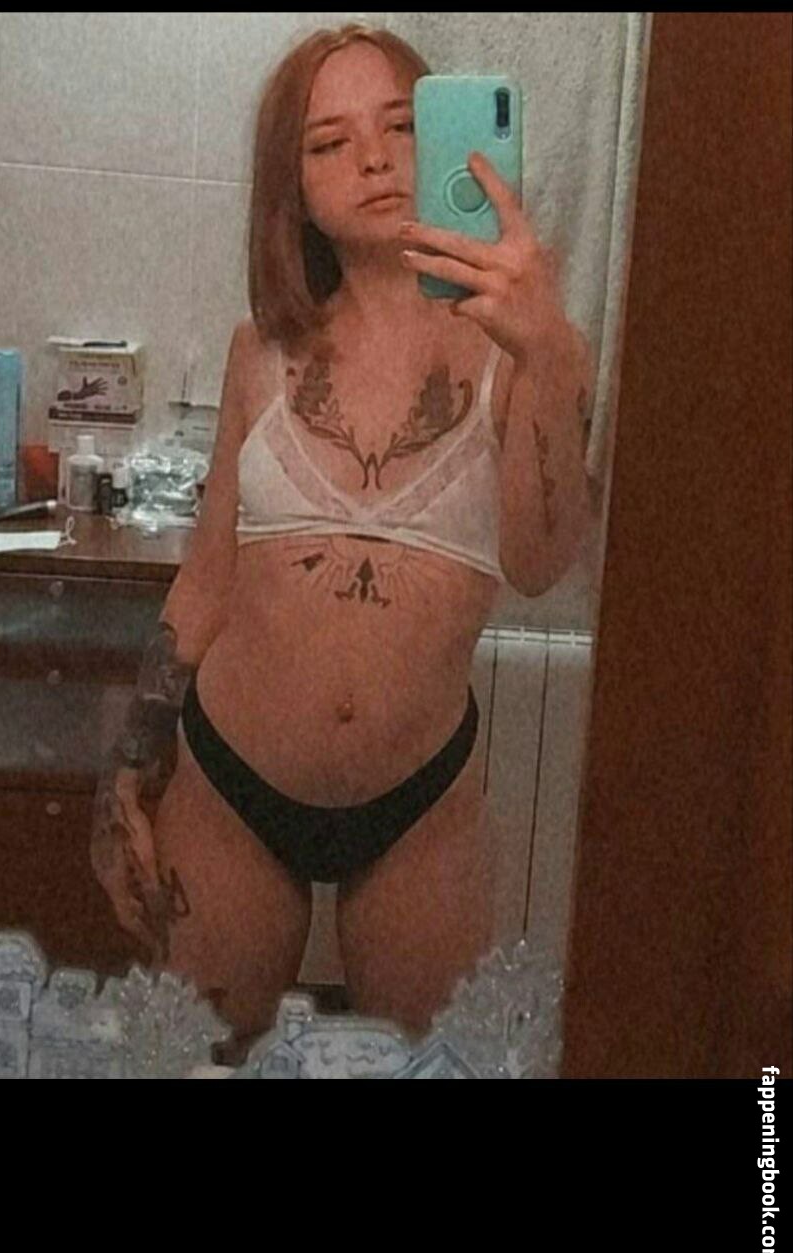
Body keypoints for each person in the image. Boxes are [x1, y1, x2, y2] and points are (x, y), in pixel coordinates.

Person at [89, 21, 594, 1049]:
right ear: (294, 186)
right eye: (329, 141)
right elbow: (208, 579)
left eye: (403, 126)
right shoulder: (259, 351)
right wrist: (129, 761)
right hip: (228, 785)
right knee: (197, 1061)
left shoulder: (521, 351)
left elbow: (542, 565)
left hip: (422, 804)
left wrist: (549, 351)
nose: (372, 157)